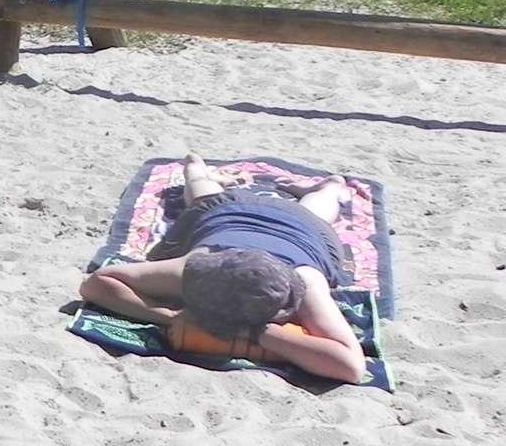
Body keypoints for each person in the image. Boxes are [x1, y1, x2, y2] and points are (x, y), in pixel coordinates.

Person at [78, 153, 367, 384]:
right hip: (228, 213)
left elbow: (351, 368)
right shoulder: (196, 269)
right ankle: (196, 167)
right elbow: (97, 283)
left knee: (315, 212)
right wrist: (167, 316)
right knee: (205, 198)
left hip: (297, 228)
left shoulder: (306, 282)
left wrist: (258, 334)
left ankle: (330, 185)